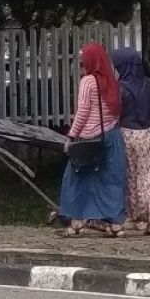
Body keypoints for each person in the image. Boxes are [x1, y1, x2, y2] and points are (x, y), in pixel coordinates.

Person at [60, 43, 127, 238]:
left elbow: (82, 113)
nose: (82, 63)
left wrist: (71, 136)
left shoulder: (88, 81)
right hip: (112, 137)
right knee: (111, 181)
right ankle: (116, 224)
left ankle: (77, 222)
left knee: (76, 180)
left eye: (83, 59)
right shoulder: (113, 81)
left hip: (89, 140)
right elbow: (117, 111)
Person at [112, 49, 150, 235]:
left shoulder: (120, 87)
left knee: (131, 176)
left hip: (126, 133)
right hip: (147, 133)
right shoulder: (149, 84)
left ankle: (135, 216)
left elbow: (117, 111)